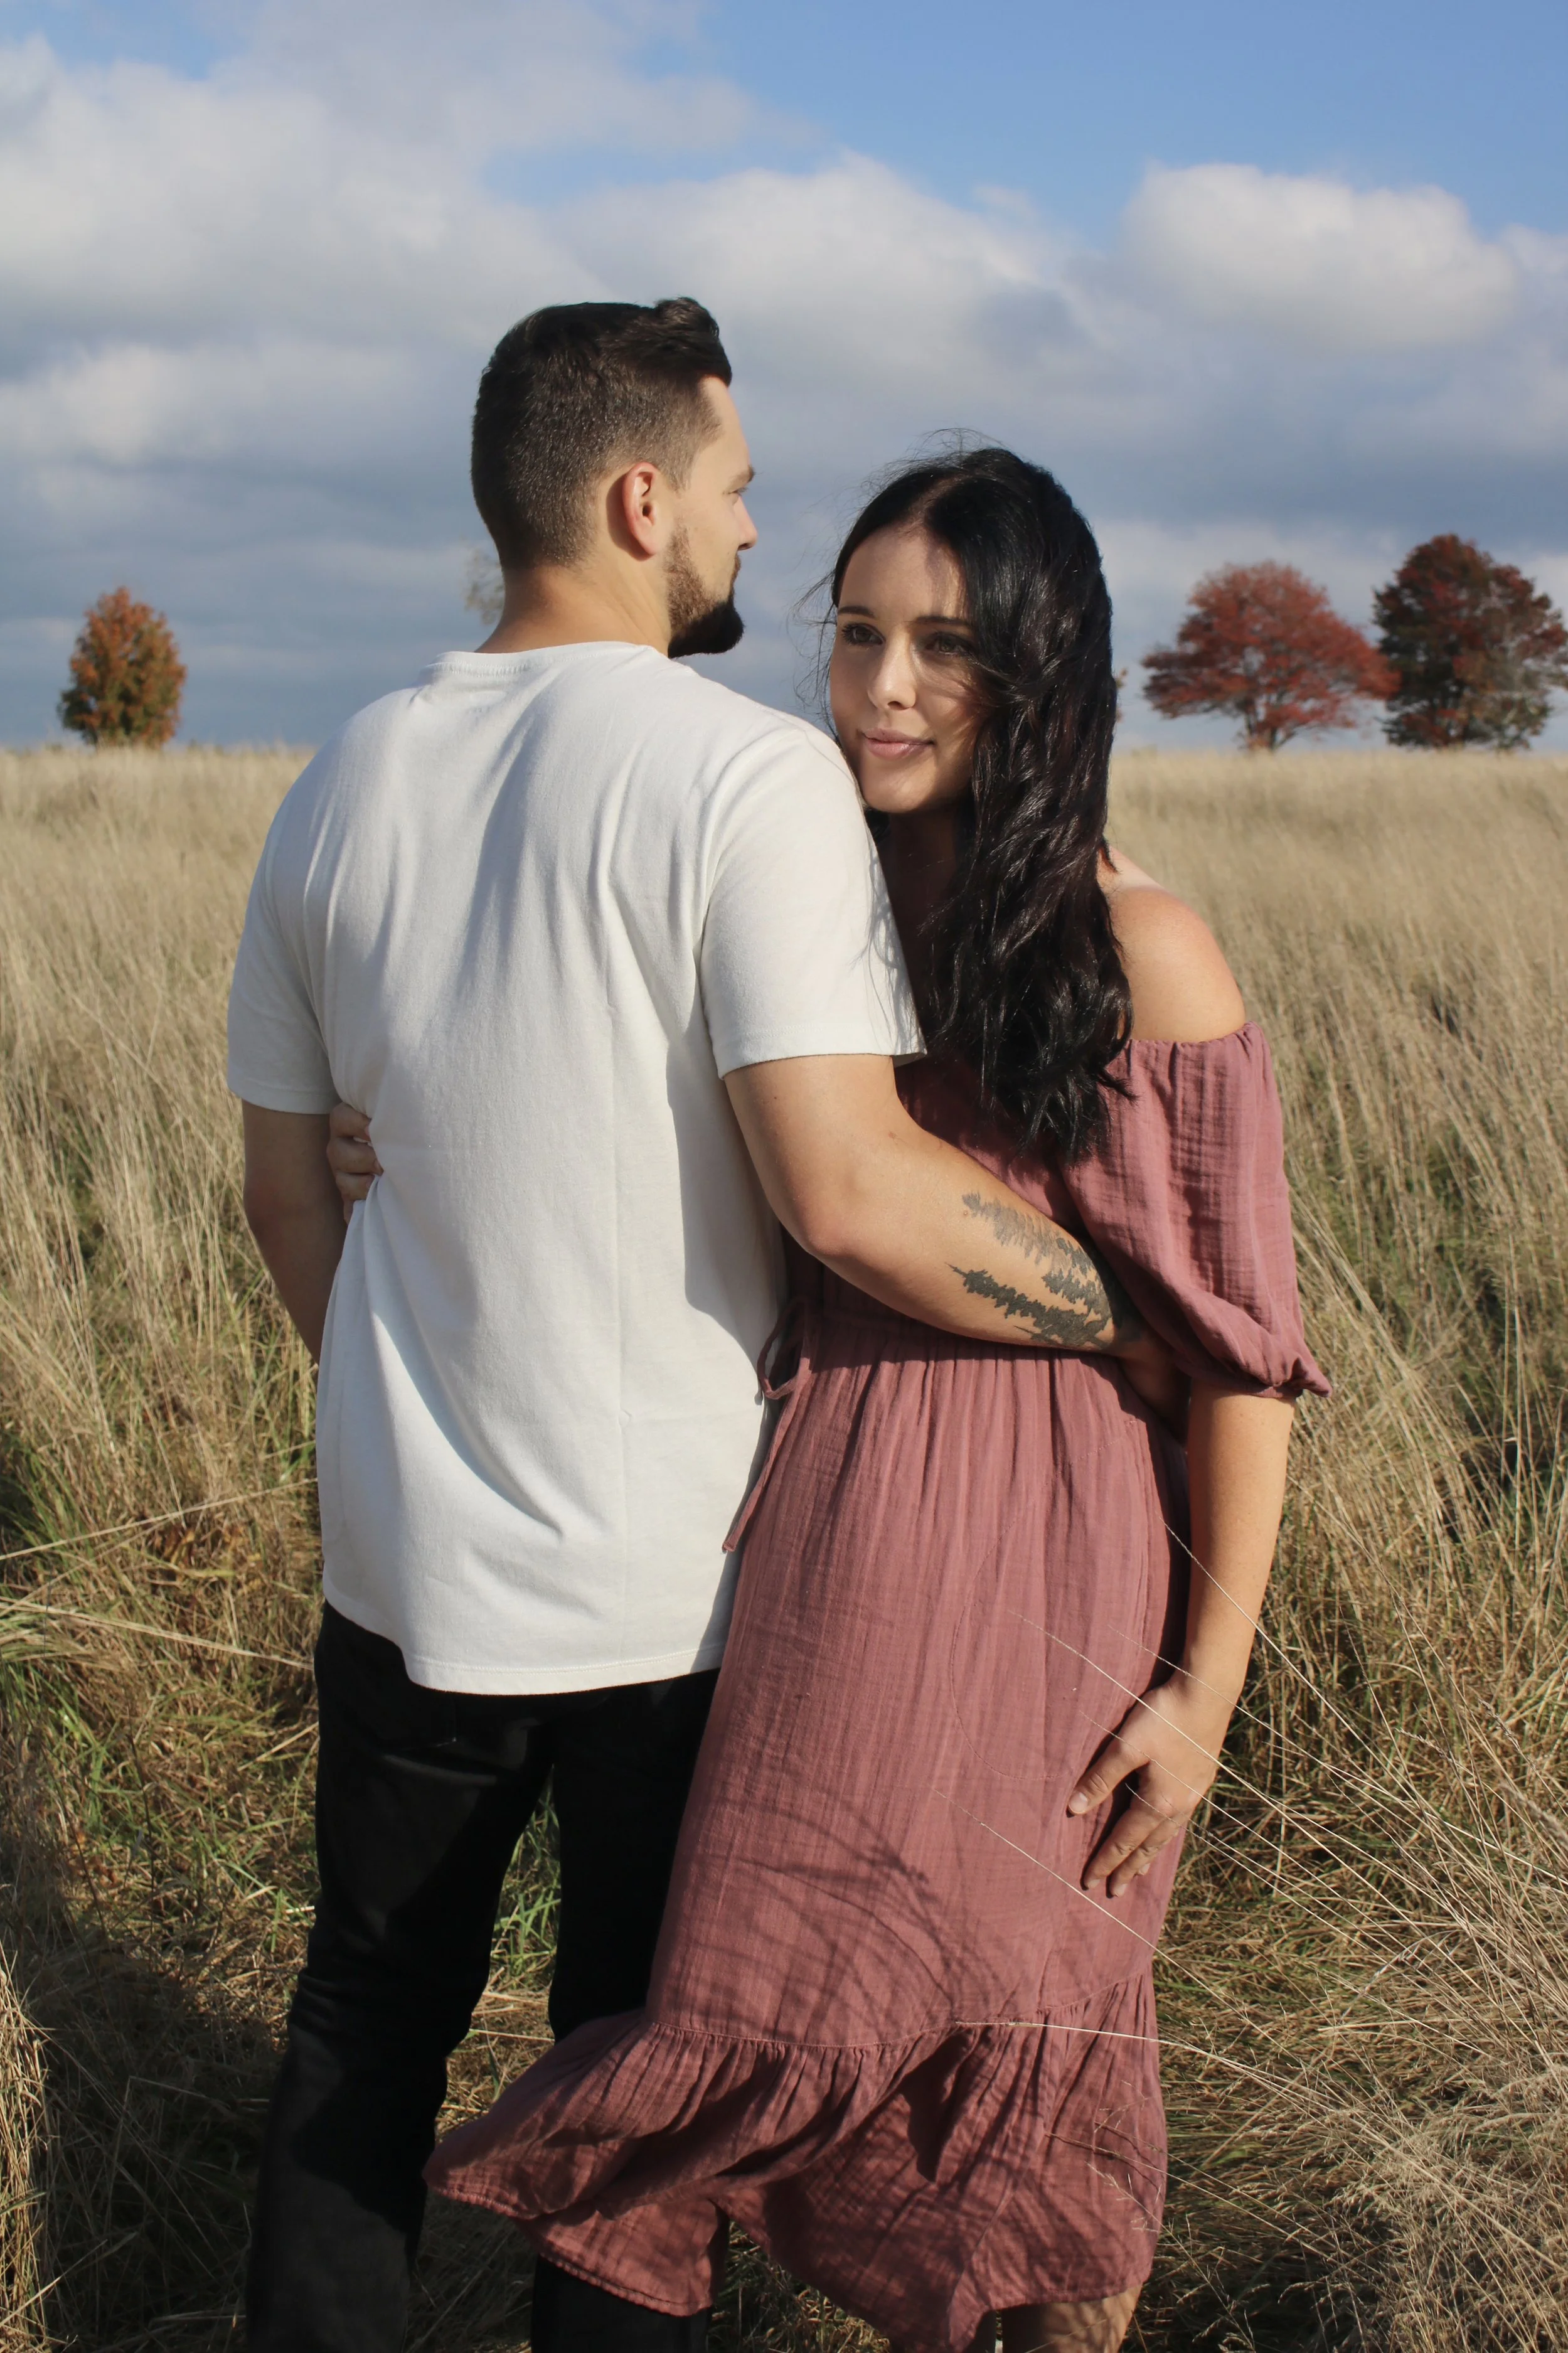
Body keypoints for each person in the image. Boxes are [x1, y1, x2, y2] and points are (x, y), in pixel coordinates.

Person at [228, 307, 1169, 2353]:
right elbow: (847, 1188)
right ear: (642, 501)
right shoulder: (744, 774)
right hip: (684, 1591)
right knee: (647, 2081)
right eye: (740, 493)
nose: (754, 530)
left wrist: (402, 1405)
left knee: (361, 2025)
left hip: (400, 1570)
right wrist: (1131, 1316)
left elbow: (289, 1183)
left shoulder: (339, 777)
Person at [378, 449, 1330, 2353]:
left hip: (1053, 1566)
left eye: (945, 650)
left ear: (1041, 677)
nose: (883, 687)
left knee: (1040, 2027)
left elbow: (1240, 1357)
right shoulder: (789, 881)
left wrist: (1202, 1690)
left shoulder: (1142, 948)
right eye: (861, 635)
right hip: (821, 1526)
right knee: (769, 1985)